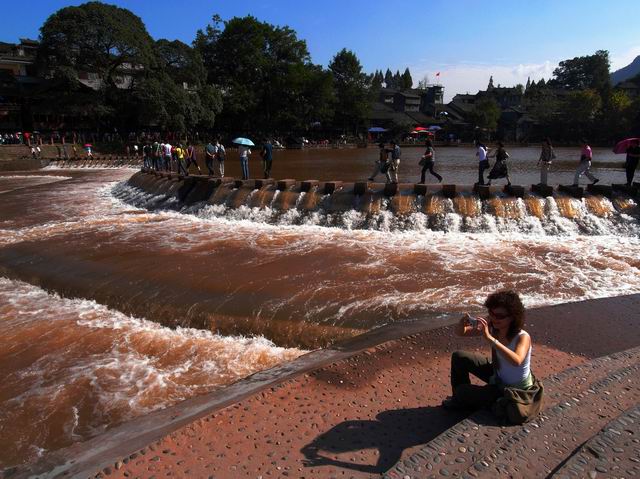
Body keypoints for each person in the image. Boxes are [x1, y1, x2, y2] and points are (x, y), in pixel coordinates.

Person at [443, 290, 539, 417]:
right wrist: (462, 324)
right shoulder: (494, 327)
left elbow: (517, 360)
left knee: (462, 392)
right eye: (491, 313)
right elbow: (462, 333)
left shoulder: (522, 337)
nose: (494, 318)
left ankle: (464, 398)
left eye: (499, 316)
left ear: (512, 317)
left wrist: (490, 339)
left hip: (511, 390)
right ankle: (460, 401)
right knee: (459, 357)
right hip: (497, 375)